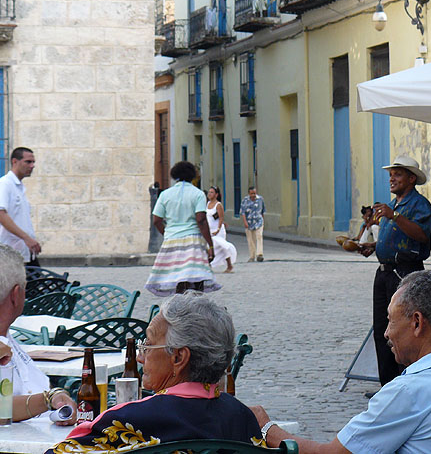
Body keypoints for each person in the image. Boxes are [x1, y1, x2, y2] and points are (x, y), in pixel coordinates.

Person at [251, 270, 431, 453]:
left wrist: (266, 427)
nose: (387, 333)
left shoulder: (410, 392)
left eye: (391, 321)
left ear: (417, 323)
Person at [48, 292, 262, 452]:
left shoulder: (122, 421)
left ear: (178, 357)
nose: (140, 357)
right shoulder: (243, 419)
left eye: (148, 345)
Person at [360, 155, 431, 386]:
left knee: (404, 331)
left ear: (412, 178)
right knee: (383, 332)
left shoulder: (419, 205)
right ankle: (388, 387)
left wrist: (395, 216)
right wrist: (374, 246)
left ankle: (407, 384)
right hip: (384, 273)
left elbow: (421, 236)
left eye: (398, 174)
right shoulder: (391, 206)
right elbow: (393, 237)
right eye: (391, 175)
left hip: (405, 272)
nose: (392, 179)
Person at [0, 244, 77, 425]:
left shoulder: (7, 339)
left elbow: (33, 385)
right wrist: (47, 400)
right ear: (16, 295)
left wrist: (56, 394)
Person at [145, 161, 221, 297]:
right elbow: (201, 220)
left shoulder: (165, 195)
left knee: (177, 281)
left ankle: (178, 311)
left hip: (171, 240)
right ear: (192, 176)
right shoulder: (197, 194)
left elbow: (156, 220)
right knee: (197, 280)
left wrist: (167, 233)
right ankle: (195, 310)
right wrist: (210, 245)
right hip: (193, 241)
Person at [0, 147, 42, 266]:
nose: (32, 166)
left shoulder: (19, 188)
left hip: (24, 251)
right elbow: (1, 214)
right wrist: (26, 238)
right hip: (10, 254)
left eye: (33, 162)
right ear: (15, 161)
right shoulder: (5, 184)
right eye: (28, 162)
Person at [206, 186, 237, 273]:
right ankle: (228, 265)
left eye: (212, 192)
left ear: (216, 195)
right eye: (209, 192)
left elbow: (221, 218)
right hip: (210, 230)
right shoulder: (207, 204)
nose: (209, 194)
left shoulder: (218, 205)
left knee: (219, 247)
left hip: (218, 231)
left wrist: (218, 229)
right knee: (211, 247)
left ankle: (209, 265)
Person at [240, 186, 265, 262]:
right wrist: (245, 222)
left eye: (254, 193)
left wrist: (263, 220)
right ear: (249, 194)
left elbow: (263, 210)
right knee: (251, 240)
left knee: (259, 236)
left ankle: (259, 254)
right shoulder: (245, 200)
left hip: (258, 221)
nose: (253, 195)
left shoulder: (260, 199)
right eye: (252, 193)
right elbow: (243, 212)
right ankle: (252, 256)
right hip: (249, 222)